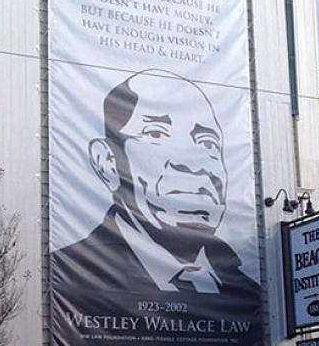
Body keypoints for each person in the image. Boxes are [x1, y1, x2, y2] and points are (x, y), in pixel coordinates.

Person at [52, 68, 258, 295]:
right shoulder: (73, 274)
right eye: (156, 134)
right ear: (107, 163)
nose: (191, 164)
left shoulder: (245, 290)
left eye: (206, 142)